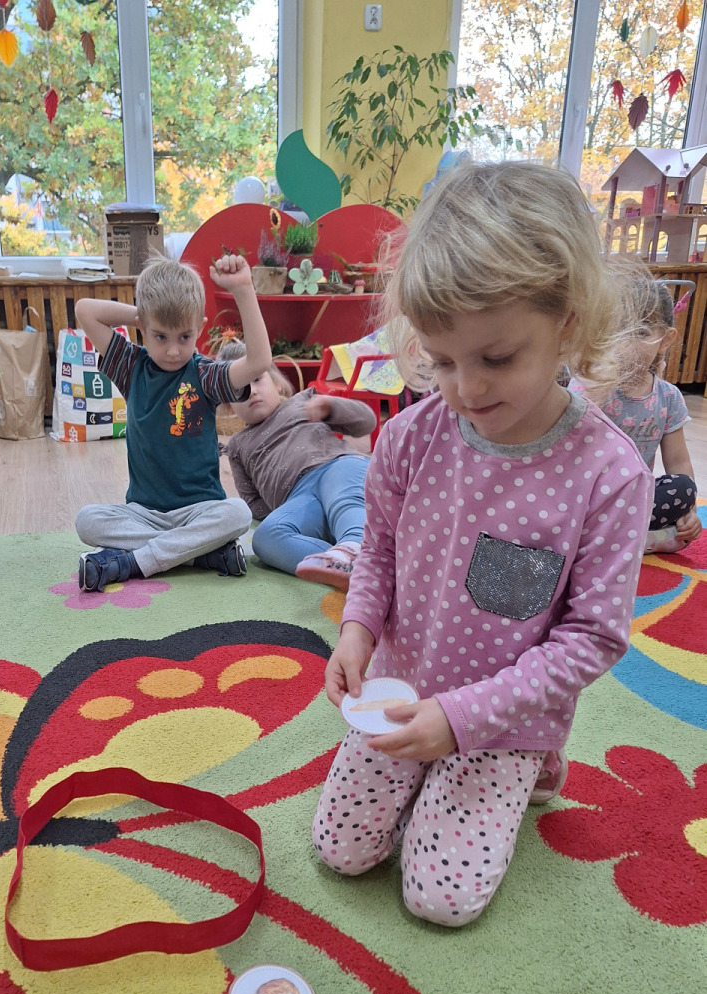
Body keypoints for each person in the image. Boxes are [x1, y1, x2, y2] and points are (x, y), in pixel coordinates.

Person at [312, 160, 655, 927]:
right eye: (442, 361)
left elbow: (593, 637)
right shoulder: (409, 438)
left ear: (567, 323)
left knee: (439, 900)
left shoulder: (609, 475)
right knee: (342, 849)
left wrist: (465, 720)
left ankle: (532, 765)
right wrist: (358, 629)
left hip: (504, 719)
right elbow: (378, 552)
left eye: (495, 358)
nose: (465, 389)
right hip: (402, 690)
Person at [73, 254, 272, 586]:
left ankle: (134, 562)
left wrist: (242, 288)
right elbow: (85, 310)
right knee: (86, 521)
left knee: (239, 514)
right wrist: (145, 314)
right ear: (143, 328)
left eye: (184, 336)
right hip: (143, 514)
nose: (173, 351)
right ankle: (197, 553)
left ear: (200, 329)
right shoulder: (131, 365)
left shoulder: (205, 374)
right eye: (160, 336)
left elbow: (259, 361)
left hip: (200, 510)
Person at [218, 339, 376, 589]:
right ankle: (341, 562)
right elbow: (253, 502)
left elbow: (367, 422)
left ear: (277, 383)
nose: (252, 391)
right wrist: (288, 512)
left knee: (344, 503)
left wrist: (331, 407)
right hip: (300, 499)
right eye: (239, 390)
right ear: (228, 405)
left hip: (338, 467)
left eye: (257, 380)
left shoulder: (304, 402)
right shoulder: (237, 445)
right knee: (265, 538)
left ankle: (357, 547)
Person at [569, 264, 701, 555]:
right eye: (617, 330)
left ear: (664, 340)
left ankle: (614, 541)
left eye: (640, 332)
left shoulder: (668, 397)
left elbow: (679, 462)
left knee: (682, 488)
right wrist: (598, 389)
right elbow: (567, 448)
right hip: (587, 496)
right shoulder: (588, 384)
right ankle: (642, 541)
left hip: (634, 498)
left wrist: (688, 511)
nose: (625, 342)